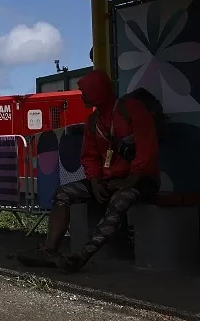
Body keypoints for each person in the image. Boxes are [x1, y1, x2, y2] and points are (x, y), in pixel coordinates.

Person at [16, 69, 160, 273]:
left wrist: (131, 179)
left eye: (85, 92)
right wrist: (94, 180)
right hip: (110, 179)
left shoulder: (132, 109)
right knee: (62, 193)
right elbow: (89, 156)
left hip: (142, 179)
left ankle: (82, 256)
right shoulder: (93, 121)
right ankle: (49, 250)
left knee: (119, 200)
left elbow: (147, 147)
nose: (82, 96)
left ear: (98, 92)